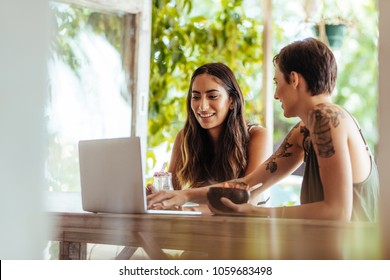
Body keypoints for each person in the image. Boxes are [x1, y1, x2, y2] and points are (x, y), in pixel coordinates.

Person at [149, 38, 379, 222]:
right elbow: (248, 184)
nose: (276, 94)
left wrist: (257, 212)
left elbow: (337, 212)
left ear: (294, 79)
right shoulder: (303, 130)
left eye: (277, 83)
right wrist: (184, 194)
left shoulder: (326, 118)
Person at [147, 62, 270, 209]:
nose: (202, 106)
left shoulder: (257, 136)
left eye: (212, 96)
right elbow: (173, 193)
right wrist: (157, 196)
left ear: (231, 100)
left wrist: (190, 207)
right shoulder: (185, 138)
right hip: (199, 227)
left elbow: (247, 199)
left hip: (244, 229)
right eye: (196, 97)